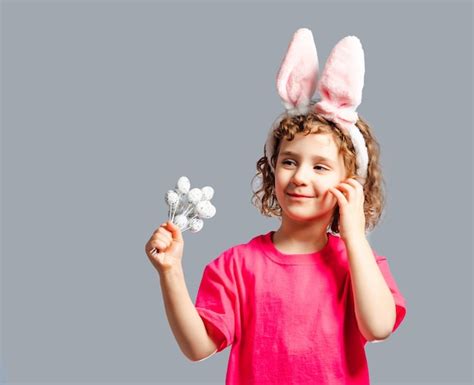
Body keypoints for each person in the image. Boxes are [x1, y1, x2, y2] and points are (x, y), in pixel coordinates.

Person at [145, 28, 407, 385]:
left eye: (320, 166)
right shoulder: (236, 266)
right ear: (272, 169)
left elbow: (378, 327)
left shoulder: (359, 264)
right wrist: (171, 271)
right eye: (289, 161)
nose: (300, 177)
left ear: (350, 184)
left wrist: (356, 237)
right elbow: (198, 347)